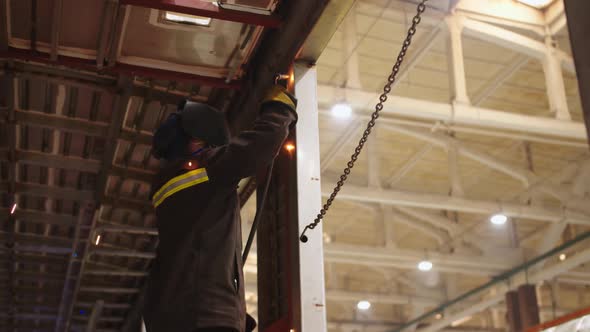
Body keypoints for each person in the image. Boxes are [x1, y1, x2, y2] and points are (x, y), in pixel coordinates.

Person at [142, 84, 297, 332]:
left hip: (171, 318)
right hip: (203, 317)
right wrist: (280, 106)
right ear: (198, 139)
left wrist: (235, 318)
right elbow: (259, 146)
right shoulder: (204, 170)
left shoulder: (168, 182)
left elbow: (195, 261)